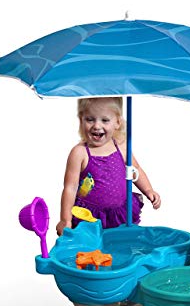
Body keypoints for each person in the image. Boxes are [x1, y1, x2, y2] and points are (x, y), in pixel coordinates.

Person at [56, 97, 161, 235]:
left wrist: (148, 190)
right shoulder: (79, 152)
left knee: (121, 242)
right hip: (90, 217)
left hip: (119, 213)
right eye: (90, 119)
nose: (96, 126)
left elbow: (135, 170)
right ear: (81, 120)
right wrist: (65, 219)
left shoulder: (121, 146)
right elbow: (70, 187)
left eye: (105, 120)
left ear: (117, 122)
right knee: (92, 245)